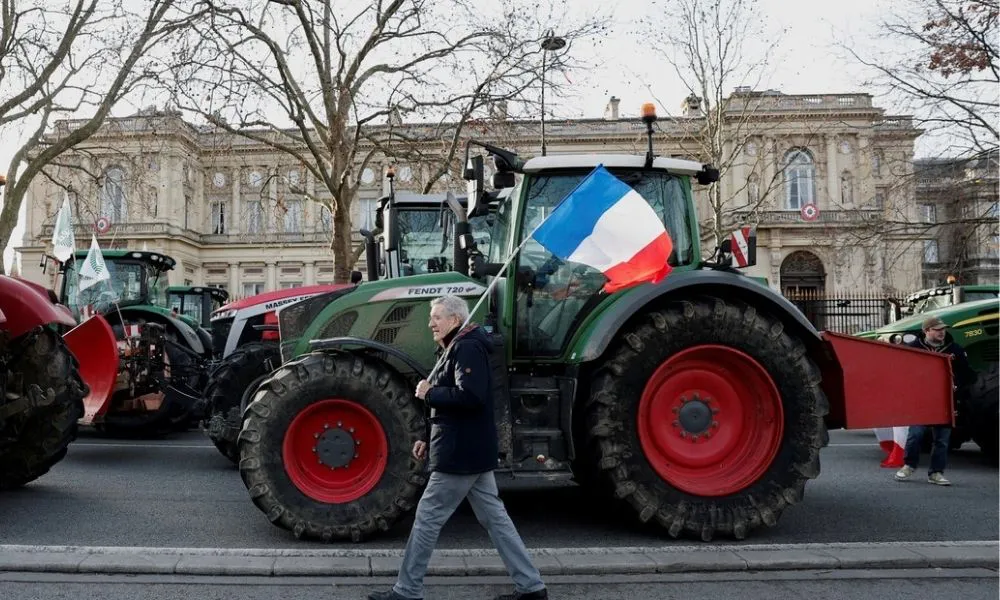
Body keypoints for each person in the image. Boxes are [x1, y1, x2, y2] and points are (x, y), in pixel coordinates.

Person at [369, 295, 547, 600]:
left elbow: (471, 397)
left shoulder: (466, 348)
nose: (431, 323)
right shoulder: (457, 347)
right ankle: (531, 586)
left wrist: (431, 392)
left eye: (437, 317)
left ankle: (407, 591)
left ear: (454, 319)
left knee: (427, 518)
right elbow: (455, 403)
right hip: (467, 447)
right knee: (495, 519)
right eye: (431, 318)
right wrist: (428, 435)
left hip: (459, 452)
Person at [895, 316, 974, 486]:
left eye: (943, 329)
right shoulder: (914, 348)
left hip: (946, 401)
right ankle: (909, 465)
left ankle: (936, 473)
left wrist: (957, 386)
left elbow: (967, 374)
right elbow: (903, 372)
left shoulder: (955, 349)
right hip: (921, 401)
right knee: (915, 435)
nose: (942, 332)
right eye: (937, 329)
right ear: (926, 331)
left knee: (942, 440)